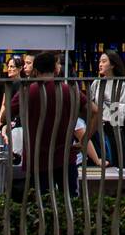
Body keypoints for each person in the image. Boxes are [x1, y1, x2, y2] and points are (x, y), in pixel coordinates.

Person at [11, 51, 87, 199]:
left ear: (35, 71)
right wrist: (83, 140)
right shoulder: (68, 90)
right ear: (56, 69)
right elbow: (96, 111)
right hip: (65, 156)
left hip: (37, 157)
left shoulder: (28, 91)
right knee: (70, 201)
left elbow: (4, 116)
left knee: (42, 203)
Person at [89, 50, 125, 164]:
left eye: (104, 61)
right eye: (99, 61)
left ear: (112, 65)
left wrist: (104, 109)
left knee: (114, 162)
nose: (100, 64)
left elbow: (120, 114)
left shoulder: (121, 85)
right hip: (97, 128)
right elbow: (90, 105)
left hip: (112, 129)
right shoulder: (96, 83)